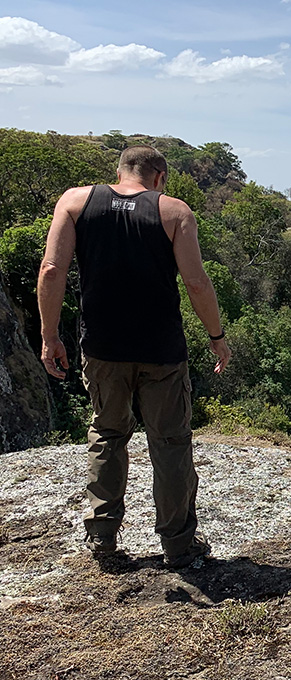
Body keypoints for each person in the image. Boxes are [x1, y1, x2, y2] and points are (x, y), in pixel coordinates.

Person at [38, 145, 231, 567]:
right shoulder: (174, 212)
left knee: (107, 435)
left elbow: (51, 269)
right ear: (159, 177)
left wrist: (49, 335)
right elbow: (196, 283)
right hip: (161, 350)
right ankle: (178, 545)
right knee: (171, 443)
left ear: (120, 171)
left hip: (102, 348)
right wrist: (216, 336)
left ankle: (102, 537)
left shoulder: (75, 201)